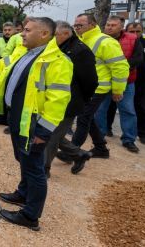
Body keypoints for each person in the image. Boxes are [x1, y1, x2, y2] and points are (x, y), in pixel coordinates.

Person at [0, 17, 73, 231]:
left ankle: (30, 216)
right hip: (18, 117)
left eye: (27, 30)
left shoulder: (58, 61)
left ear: (44, 34)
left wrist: (43, 130)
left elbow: (58, 101)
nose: (21, 33)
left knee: (34, 167)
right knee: (23, 159)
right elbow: (0, 67)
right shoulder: (22, 52)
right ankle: (23, 194)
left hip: (34, 124)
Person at [63, 13, 129, 159]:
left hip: (98, 89)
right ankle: (101, 148)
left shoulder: (105, 41)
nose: (77, 28)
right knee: (88, 118)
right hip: (85, 88)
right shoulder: (81, 40)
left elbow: (120, 67)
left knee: (83, 118)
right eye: (76, 25)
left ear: (92, 25)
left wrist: (118, 90)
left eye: (80, 25)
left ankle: (72, 153)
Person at [44, 21, 97, 178]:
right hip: (55, 99)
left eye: (54, 35)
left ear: (66, 34)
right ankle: (79, 154)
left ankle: (43, 169)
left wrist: (84, 98)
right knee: (51, 132)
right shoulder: (60, 47)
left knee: (51, 135)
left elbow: (91, 80)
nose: (50, 39)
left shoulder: (80, 51)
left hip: (70, 101)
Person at [93, 16, 142, 152]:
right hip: (103, 82)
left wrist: (120, 69)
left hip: (125, 82)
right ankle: (99, 136)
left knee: (127, 110)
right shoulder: (99, 39)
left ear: (121, 27)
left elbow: (137, 58)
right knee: (100, 110)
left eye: (113, 25)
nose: (109, 27)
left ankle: (128, 139)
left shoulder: (132, 39)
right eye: (108, 24)